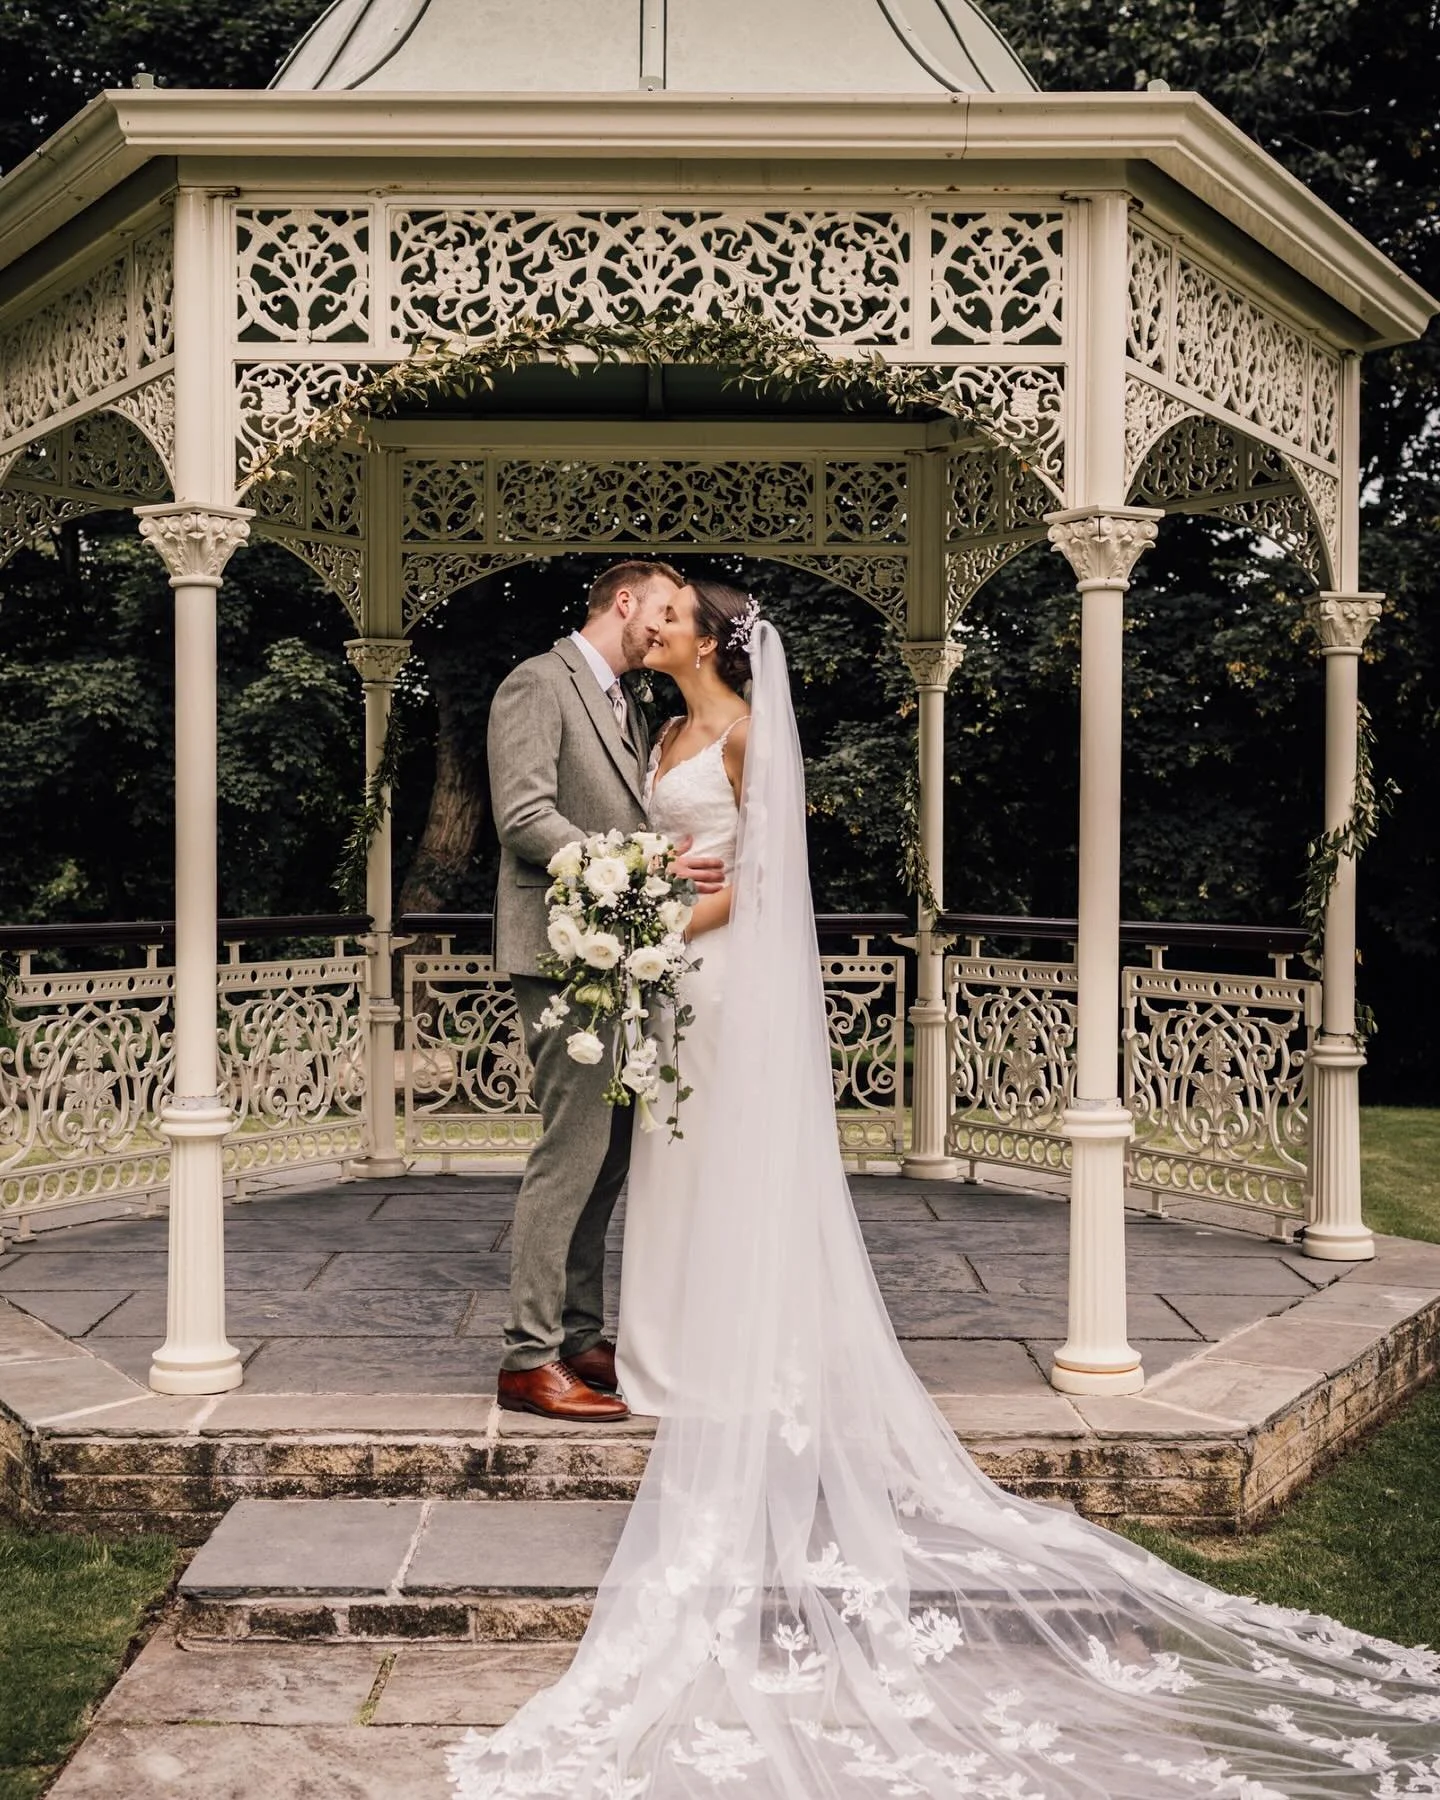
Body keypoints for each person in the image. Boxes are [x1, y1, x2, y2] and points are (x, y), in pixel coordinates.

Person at [457, 587, 1440, 1796]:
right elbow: (591, 835)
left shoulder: (753, 734)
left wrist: (665, 925)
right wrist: (655, 922)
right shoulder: (650, 737)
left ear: (710, 637)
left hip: (710, 972)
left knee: (709, 1164)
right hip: (665, 978)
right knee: (658, 1165)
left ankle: (708, 1347)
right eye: (645, 611)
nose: (654, 630)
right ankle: (642, 1347)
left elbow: (761, 887)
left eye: (672, 616)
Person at [486, 560, 724, 1422]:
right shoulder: (536, 684)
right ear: (623, 603)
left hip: (620, 958)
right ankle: (527, 1356)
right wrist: (650, 865)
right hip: (559, 956)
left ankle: (581, 1335)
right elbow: (524, 819)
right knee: (571, 1154)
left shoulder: (633, 707)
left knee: (613, 1156)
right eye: (661, 609)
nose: (665, 627)